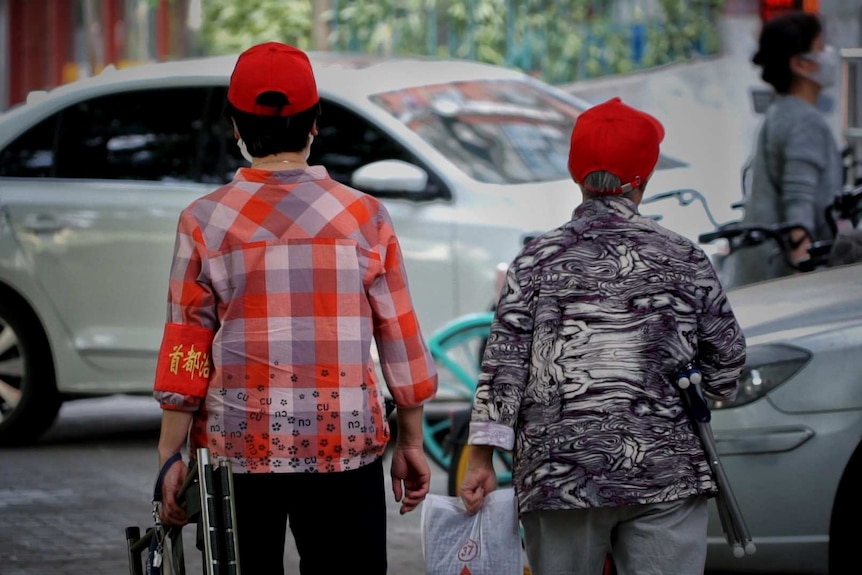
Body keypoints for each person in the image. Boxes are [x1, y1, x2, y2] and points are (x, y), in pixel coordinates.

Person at [151, 41, 438, 575]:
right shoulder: (365, 217)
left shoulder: (203, 221)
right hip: (343, 443)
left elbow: (186, 345)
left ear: (235, 127)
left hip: (237, 448)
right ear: (315, 124)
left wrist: (173, 455)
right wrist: (413, 440)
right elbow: (399, 335)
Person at [457, 97, 747, 575]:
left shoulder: (535, 261)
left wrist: (481, 459)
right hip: (664, 473)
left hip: (560, 476)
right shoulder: (684, 258)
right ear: (644, 178)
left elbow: (502, 367)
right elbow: (728, 362)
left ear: (577, 174)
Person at [728, 11, 844, 287]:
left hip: (760, 271)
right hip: (781, 276)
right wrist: (801, 277)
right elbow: (798, 206)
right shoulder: (803, 120)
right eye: (820, 48)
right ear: (801, 64)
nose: (829, 54)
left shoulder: (782, 112)